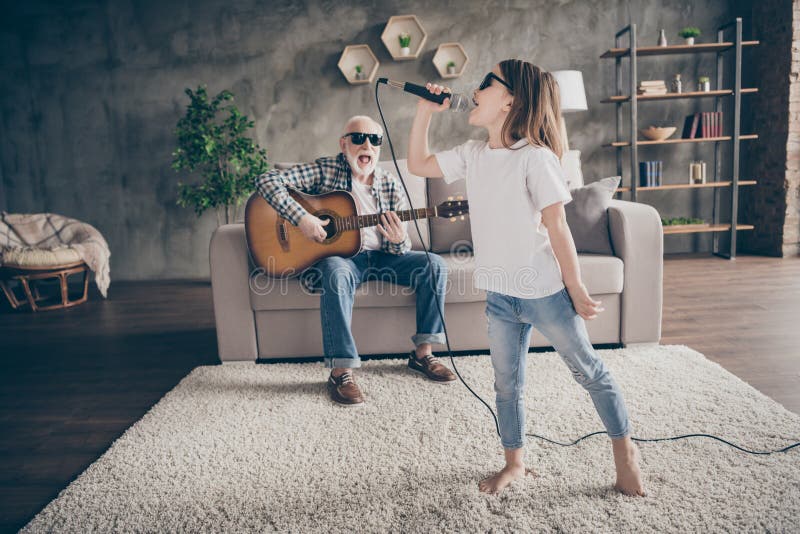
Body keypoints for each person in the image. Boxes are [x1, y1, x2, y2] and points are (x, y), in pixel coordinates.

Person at [407, 60, 646, 496]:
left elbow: (558, 226)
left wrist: (575, 287)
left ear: (510, 99)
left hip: (545, 292)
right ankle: (514, 463)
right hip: (500, 294)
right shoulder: (473, 153)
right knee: (506, 383)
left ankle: (625, 455)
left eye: (485, 83)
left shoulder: (535, 158)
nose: (474, 90)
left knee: (588, 371)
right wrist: (425, 109)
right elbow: (418, 163)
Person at [255, 115, 456, 406]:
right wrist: (303, 218)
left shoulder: (390, 185)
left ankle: (423, 354)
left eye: (374, 140)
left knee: (434, 264)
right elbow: (267, 180)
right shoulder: (326, 169)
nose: (367, 145)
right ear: (344, 143)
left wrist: (399, 239)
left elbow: (399, 248)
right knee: (335, 271)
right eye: (358, 138)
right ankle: (341, 372)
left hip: (382, 257)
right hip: (342, 260)